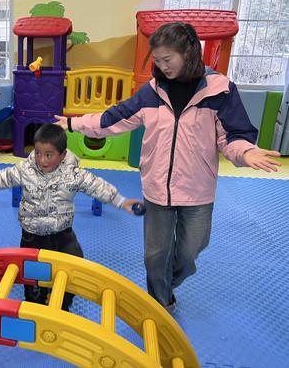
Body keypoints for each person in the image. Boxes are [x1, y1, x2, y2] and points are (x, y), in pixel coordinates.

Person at [55, 22, 282, 311]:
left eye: (168, 59)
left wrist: (245, 152)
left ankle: (167, 282)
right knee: (154, 255)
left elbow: (233, 135)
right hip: (156, 187)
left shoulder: (219, 90)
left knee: (190, 253)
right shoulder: (152, 91)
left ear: (188, 53)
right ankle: (160, 303)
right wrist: (74, 123)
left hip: (197, 190)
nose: (163, 67)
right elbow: (115, 117)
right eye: (158, 61)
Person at [0, 124, 141, 311]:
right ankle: (34, 302)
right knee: (31, 273)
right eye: (38, 153)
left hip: (61, 234)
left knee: (73, 266)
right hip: (32, 235)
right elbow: (2, 177)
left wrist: (121, 201)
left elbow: (98, 186)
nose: (42, 160)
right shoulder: (25, 169)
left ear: (62, 155)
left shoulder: (73, 174)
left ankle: (63, 303)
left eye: (48, 155)